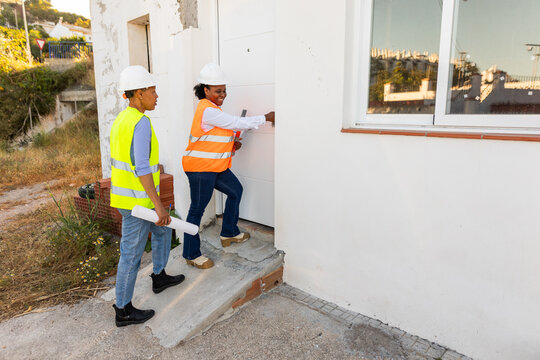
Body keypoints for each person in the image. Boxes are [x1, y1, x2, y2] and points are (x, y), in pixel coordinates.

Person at [110, 65, 185, 327]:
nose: (156, 96)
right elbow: (142, 168)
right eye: (153, 91)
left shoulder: (121, 120)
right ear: (139, 93)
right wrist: (159, 206)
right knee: (131, 255)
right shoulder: (140, 123)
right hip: (137, 204)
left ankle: (159, 276)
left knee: (164, 232)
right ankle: (123, 310)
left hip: (127, 199)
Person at [182, 63, 275, 269]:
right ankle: (191, 253)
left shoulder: (214, 110)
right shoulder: (206, 109)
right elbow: (235, 123)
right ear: (205, 90)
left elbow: (217, 135)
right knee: (197, 210)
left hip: (215, 166)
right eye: (217, 91)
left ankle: (229, 233)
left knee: (235, 191)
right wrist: (266, 118)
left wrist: (231, 143)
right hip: (200, 169)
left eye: (224, 90)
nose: (222, 94)